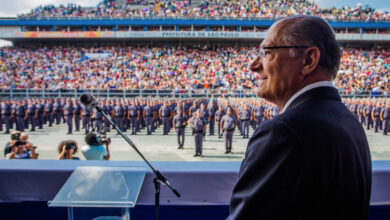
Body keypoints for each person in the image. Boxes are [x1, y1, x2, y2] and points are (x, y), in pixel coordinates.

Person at [228, 16, 372, 220]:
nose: (254, 65)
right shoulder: (349, 121)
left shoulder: (284, 131)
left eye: (267, 53)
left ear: (308, 60)